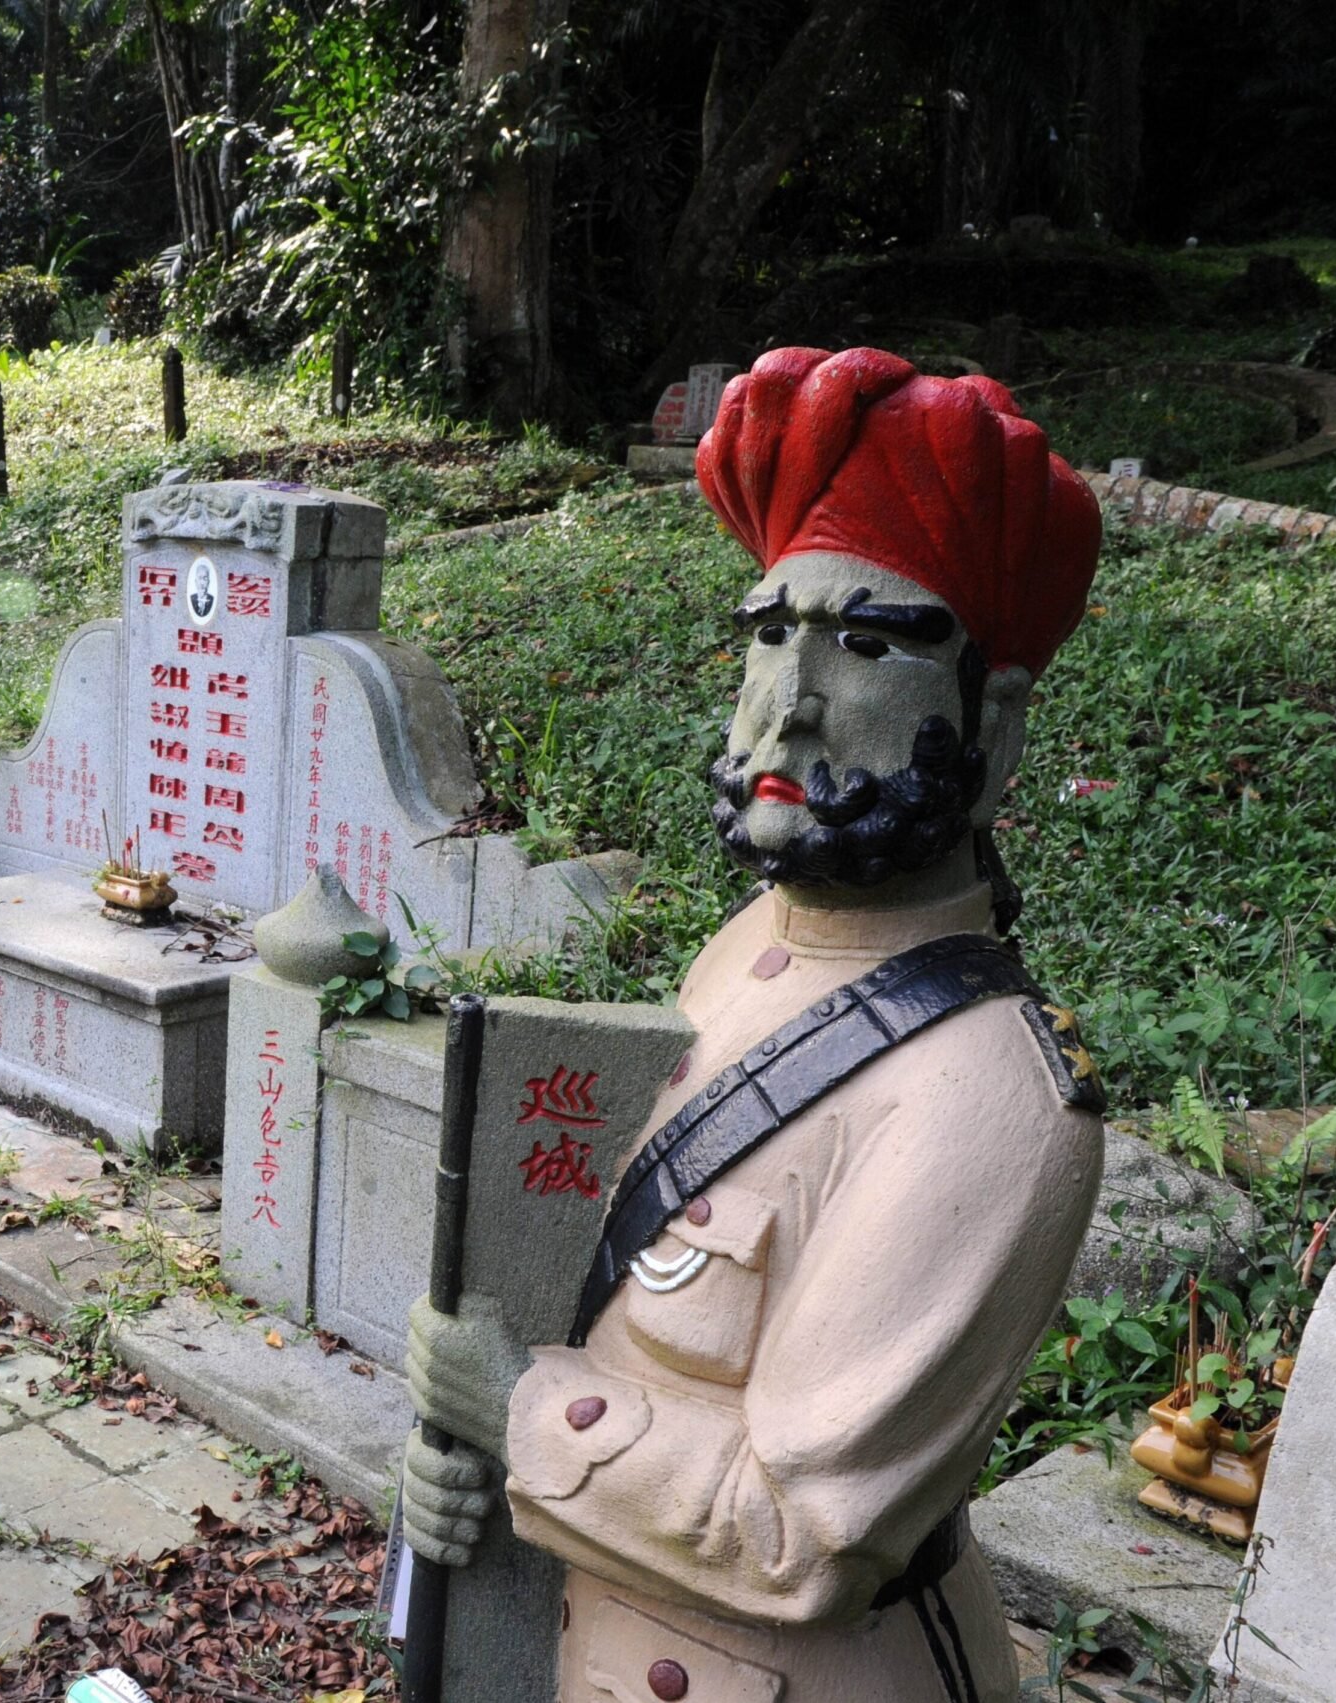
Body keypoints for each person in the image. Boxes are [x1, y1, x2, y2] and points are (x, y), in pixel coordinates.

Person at [404, 347, 1109, 1703]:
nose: (791, 701)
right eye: (772, 632)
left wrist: (521, 1416)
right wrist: (478, 1463)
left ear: (995, 725)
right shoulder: (747, 948)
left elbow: (809, 1529)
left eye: (870, 643)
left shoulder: (987, 1094)